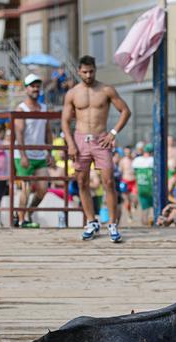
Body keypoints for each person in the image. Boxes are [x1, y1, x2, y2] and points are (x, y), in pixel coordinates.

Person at [62, 55, 131, 242]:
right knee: (82, 182)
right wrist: (70, 143)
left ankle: (112, 223)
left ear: (95, 70)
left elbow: (125, 110)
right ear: (79, 71)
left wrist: (113, 133)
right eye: (84, 72)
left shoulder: (106, 90)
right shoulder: (73, 93)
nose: (88, 75)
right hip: (80, 139)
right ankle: (91, 221)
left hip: (102, 139)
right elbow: (65, 121)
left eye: (91, 71)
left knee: (108, 182)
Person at [13, 74, 52, 228]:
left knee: (43, 188)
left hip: (39, 153)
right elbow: (19, 133)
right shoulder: (21, 108)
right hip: (24, 154)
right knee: (26, 187)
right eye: (32, 86)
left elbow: (48, 131)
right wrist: (23, 155)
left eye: (37, 86)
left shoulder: (44, 108)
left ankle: (27, 212)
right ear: (26, 88)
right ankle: (22, 219)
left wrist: (50, 152)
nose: (35, 89)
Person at [132, 143, 155, 226]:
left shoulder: (137, 160)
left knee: (144, 210)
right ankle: (152, 228)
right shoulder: (152, 160)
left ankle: (144, 226)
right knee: (153, 210)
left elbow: (134, 174)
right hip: (151, 188)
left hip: (141, 187)